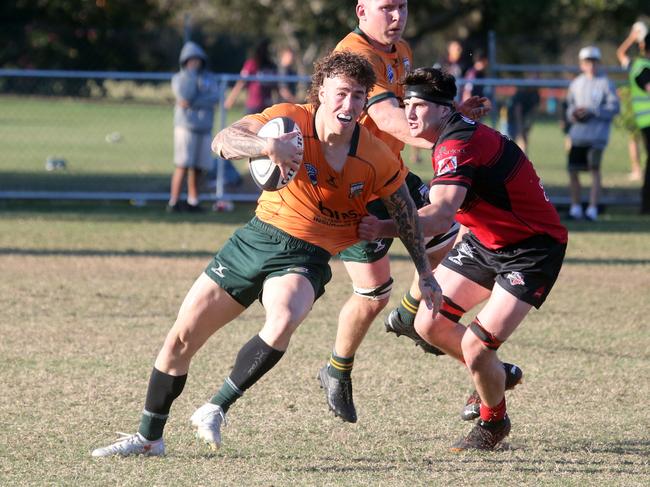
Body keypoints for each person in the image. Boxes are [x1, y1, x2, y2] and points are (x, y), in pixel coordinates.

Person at [90, 50, 440, 458]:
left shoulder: (375, 156)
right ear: (322, 91)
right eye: (342, 93)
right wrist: (265, 145)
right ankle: (149, 438)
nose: (349, 105)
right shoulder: (289, 120)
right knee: (181, 339)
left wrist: (425, 273)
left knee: (284, 318)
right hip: (254, 240)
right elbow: (224, 140)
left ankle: (215, 407)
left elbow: (407, 215)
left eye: (359, 96)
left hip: (306, 256)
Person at [358, 67, 568, 451]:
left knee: (476, 346)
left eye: (419, 106)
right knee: (429, 324)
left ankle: (493, 424)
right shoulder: (450, 129)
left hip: (532, 249)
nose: (409, 115)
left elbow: (439, 216)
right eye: (407, 105)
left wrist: (381, 227)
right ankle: (495, 375)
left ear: (443, 110)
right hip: (487, 242)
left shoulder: (457, 144)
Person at [317, 0, 492, 424]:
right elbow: (393, 121)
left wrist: (450, 114)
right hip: (354, 182)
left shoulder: (403, 51)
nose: (396, 18)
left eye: (402, 7)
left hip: (389, 172)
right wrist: (451, 136)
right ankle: (336, 370)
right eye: (386, 9)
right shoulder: (358, 56)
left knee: (447, 232)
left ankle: (410, 314)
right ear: (361, 11)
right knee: (374, 292)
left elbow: (411, 111)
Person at [566, 46, 619, 221]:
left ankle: (592, 208)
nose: (591, 65)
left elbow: (614, 108)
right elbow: (569, 108)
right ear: (582, 64)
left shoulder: (606, 83)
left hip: (597, 137)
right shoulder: (576, 84)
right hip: (578, 136)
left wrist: (593, 111)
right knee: (573, 171)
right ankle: (575, 207)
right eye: (587, 62)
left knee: (594, 170)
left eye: (594, 62)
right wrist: (574, 114)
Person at [168, 41, 220, 213]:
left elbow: (214, 97)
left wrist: (195, 102)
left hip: (204, 127)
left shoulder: (209, 78)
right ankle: (174, 201)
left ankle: (193, 201)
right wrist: (190, 76)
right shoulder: (179, 78)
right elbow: (184, 98)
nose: (195, 63)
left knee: (198, 167)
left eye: (197, 60)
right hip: (186, 127)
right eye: (191, 60)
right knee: (182, 164)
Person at [617, 22, 650, 213]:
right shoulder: (640, 65)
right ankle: (646, 205)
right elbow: (620, 54)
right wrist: (632, 37)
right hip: (646, 121)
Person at [224, 39, 277, 114]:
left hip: (267, 106)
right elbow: (241, 83)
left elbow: (276, 87)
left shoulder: (272, 66)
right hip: (254, 105)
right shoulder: (251, 64)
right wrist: (230, 100)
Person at [507, 83, 540, 155]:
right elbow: (517, 110)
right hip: (511, 119)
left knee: (523, 140)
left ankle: (524, 159)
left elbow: (534, 111)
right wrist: (520, 126)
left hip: (523, 119)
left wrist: (530, 124)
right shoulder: (521, 93)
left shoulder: (536, 94)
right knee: (511, 143)